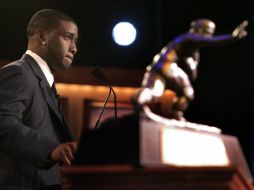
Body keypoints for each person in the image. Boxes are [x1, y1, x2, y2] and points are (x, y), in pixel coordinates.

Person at [0, 9, 79, 189]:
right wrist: (50, 150)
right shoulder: (19, 72)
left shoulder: (46, 83)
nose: (74, 48)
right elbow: (3, 122)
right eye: (68, 37)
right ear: (42, 37)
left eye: (75, 41)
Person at [133, 18, 248, 123]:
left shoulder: (192, 49)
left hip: (157, 66)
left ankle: (139, 101)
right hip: (168, 66)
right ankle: (176, 115)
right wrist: (232, 37)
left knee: (155, 92)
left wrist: (191, 64)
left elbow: (193, 75)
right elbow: (212, 42)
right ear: (200, 30)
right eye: (208, 33)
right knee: (187, 91)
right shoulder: (189, 37)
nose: (209, 36)